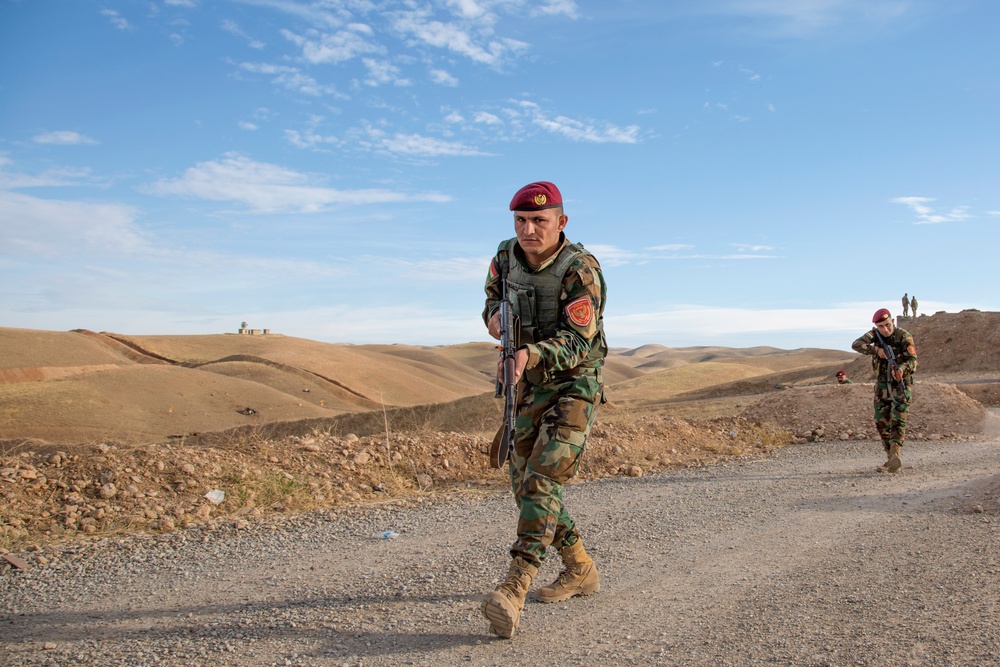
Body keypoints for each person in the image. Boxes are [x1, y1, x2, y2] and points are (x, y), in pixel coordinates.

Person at [480, 181, 607, 639]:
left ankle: (515, 586)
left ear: (561, 222)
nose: (529, 229)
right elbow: (492, 301)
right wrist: (496, 320)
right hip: (527, 383)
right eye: (521, 221)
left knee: (543, 477)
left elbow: (579, 339)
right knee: (524, 482)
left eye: (539, 220)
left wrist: (529, 355)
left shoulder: (580, 269)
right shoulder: (504, 256)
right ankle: (578, 566)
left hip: (573, 382)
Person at [851, 308, 917, 473]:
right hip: (882, 386)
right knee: (882, 423)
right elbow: (856, 344)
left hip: (901, 385)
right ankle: (890, 458)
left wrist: (901, 369)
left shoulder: (904, 336)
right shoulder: (874, 335)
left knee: (898, 421)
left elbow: (913, 361)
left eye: (887, 325)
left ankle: (896, 454)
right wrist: (876, 350)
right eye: (881, 326)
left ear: (893, 321)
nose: (885, 329)